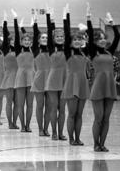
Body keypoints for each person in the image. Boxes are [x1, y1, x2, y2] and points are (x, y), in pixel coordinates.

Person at [88, 7, 120, 152]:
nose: (102, 40)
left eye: (103, 38)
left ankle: (102, 144)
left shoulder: (110, 51)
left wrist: (112, 24)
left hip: (110, 86)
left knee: (106, 118)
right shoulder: (92, 51)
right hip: (98, 87)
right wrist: (88, 17)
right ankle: (96, 144)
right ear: (95, 41)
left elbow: (118, 37)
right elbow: (89, 35)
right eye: (99, 39)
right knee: (99, 117)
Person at [62, 5, 90, 146]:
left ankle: (78, 138)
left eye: (80, 39)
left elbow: (89, 35)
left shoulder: (85, 52)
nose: (77, 41)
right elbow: (67, 35)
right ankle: (71, 139)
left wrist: (88, 19)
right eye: (75, 39)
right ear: (71, 42)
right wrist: (66, 16)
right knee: (72, 114)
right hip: (71, 84)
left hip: (83, 83)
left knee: (79, 114)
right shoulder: (68, 52)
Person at [45, 8, 67, 140]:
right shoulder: (51, 48)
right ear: (53, 38)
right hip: (53, 80)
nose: (59, 38)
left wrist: (65, 18)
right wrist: (50, 18)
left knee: (63, 109)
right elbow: (49, 30)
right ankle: (53, 132)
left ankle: (61, 132)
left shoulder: (68, 49)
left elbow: (68, 33)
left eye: (62, 36)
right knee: (54, 107)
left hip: (65, 80)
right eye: (57, 36)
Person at [30, 11, 51, 137]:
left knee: (49, 106)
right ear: (38, 40)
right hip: (39, 79)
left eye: (46, 38)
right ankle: (40, 129)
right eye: (42, 38)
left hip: (50, 79)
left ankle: (46, 128)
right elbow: (35, 34)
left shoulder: (52, 49)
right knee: (40, 106)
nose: (45, 39)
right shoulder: (36, 50)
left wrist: (50, 18)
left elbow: (51, 29)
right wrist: (36, 21)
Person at [0, 11, 19, 129]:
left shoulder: (19, 50)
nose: (12, 42)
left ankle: (15, 122)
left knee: (17, 103)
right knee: (9, 102)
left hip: (18, 77)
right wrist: (5, 22)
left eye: (14, 40)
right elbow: (5, 36)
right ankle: (10, 123)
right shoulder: (6, 50)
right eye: (11, 40)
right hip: (8, 78)